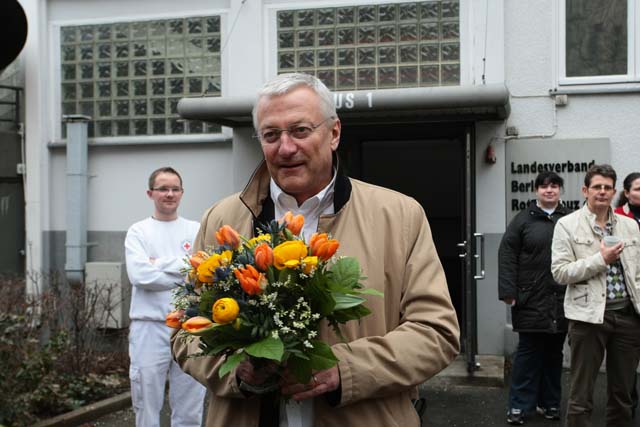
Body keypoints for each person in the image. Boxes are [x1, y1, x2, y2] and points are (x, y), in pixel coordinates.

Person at [171, 72, 460, 426]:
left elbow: (436, 333)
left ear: (334, 133)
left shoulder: (399, 216)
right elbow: (187, 335)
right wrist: (237, 372)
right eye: (271, 134)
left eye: (301, 130)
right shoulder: (223, 219)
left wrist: (345, 370)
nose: (286, 147)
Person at [551, 164, 640, 427]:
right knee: (581, 396)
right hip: (588, 318)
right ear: (585, 190)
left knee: (622, 395)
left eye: (607, 187)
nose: (602, 192)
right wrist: (600, 259)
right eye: (597, 187)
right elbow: (560, 272)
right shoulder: (567, 225)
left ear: (615, 192)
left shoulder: (629, 225)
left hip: (627, 318)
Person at [125, 167, 206, 427]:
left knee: (190, 407)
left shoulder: (196, 230)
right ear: (150, 193)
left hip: (189, 327)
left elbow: (204, 272)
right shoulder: (138, 232)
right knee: (146, 404)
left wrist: (157, 262)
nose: (169, 194)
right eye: (163, 189)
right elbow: (140, 276)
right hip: (149, 327)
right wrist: (184, 276)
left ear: (182, 193)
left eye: (175, 189)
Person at [498, 171, 571, 425]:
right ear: (536, 191)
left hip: (562, 299)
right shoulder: (522, 220)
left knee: (554, 354)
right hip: (530, 299)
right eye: (543, 186)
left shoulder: (569, 218)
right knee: (528, 354)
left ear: (560, 190)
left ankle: (550, 403)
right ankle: (519, 406)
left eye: (553, 186)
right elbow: (507, 254)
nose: (549, 190)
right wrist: (508, 292)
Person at [614, 172, 640, 418]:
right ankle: (629, 405)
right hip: (631, 294)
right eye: (638, 189)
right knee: (627, 362)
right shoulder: (619, 218)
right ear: (626, 191)